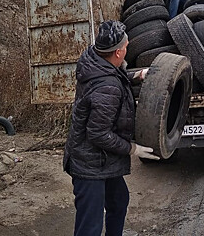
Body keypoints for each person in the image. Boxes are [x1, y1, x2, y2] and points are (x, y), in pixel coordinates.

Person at [63, 20, 160, 236]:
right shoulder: (108, 88)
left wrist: (139, 75)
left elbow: (113, 74)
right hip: (90, 164)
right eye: (125, 47)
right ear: (117, 53)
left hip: (102, 159)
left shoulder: (95, 60)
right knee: (90, 226)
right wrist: (132, 149)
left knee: (118, 201)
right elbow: (98, 133)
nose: (127, 49)